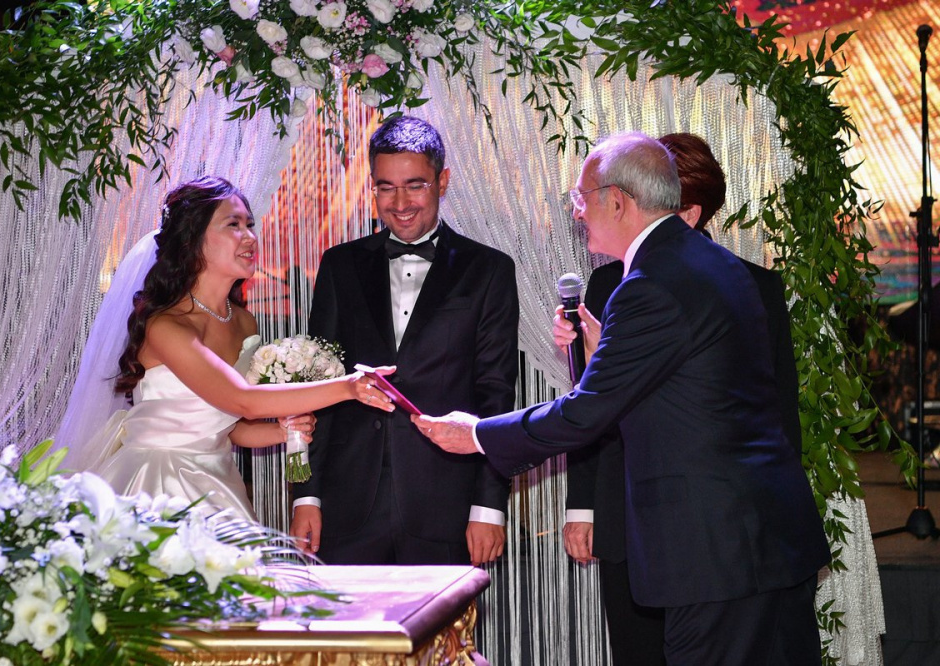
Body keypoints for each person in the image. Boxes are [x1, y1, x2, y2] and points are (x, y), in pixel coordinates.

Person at [413, 132, 830, 664]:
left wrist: (475, 434)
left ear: (618, 201)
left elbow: (585, 414)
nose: (577, 211)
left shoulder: (650, 283)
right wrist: (604, 353)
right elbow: (689, 389)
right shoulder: (709, 262)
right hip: (764, 541)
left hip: (718, 555)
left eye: (581, 197)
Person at [556, 133, 802, 666]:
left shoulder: (748, 283)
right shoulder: (611, 281)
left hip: (716, 532)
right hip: (632, 512)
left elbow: (778, 413)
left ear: (690, 213)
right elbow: (595, 402)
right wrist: (583, 505)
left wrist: (478, 435)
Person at [57, 176, 394, 523]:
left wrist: (280, 431)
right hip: (157, 483)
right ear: (192, 240)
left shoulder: (244, 322)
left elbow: (228, 426)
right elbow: (242, 400)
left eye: (250, 224)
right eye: (233, 225)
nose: (249, 236)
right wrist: (349, 387)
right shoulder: (166, 325)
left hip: (217, 479)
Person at [288, 116, 519, 566]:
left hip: (447, 506)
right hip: (346, 504)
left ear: (442, 181)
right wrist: (306, 496)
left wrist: (488, 506)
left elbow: (495, 394)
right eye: (386, 187)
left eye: (415, 186)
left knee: (448, 619)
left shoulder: (489, 270)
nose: (400, 203)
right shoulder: (339, 266)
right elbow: (316, 387)